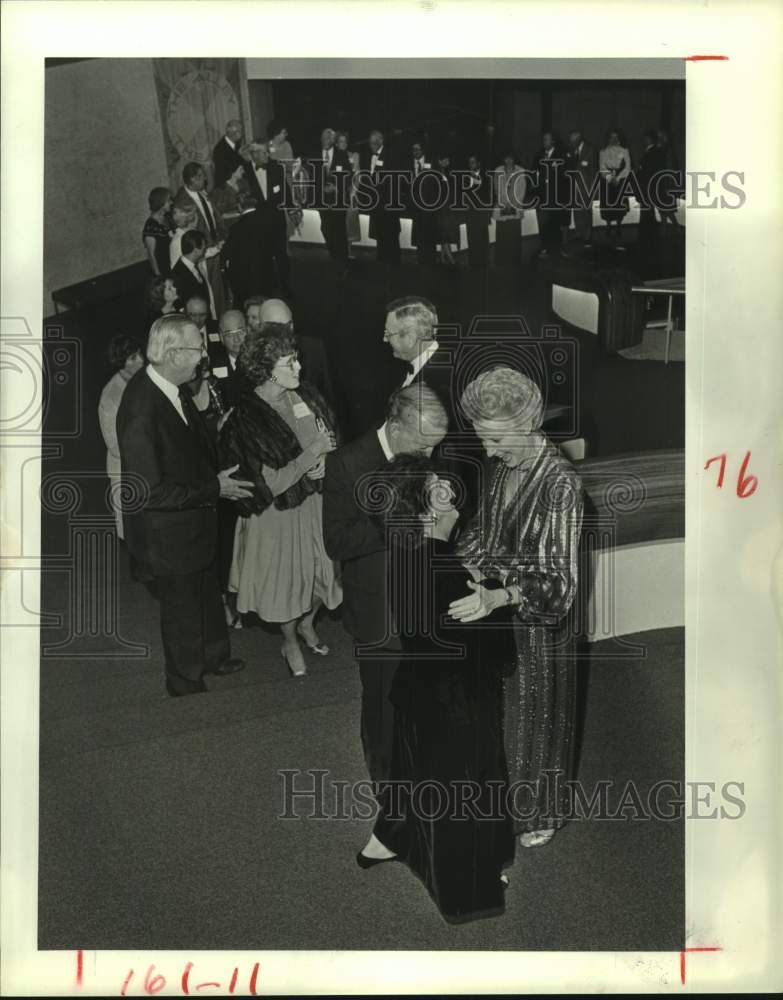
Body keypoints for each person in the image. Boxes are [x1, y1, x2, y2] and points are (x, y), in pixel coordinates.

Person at [356, 454, 515, 924]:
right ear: (424, 509)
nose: (447, 486)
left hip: (417, 691)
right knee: (461, 795)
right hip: (456, 704)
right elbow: (492, 653)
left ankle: (384, 842)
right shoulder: (443, 569)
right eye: (435, 486)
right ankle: (468, 890)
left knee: (411, 776)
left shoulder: (407, 551)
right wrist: (497, 593)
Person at [451, 366, 583, 848]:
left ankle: (541, 813)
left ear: (528, 424)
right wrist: (446, 556)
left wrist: (503, 593)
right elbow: (481, 534)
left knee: (539, 718)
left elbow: (562, 586)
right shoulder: (503, 464)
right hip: (499, 615)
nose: (487, 451)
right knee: (506, 717)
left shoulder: (561, 486)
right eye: (482, 438)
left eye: (494, 438)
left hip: (541, 624)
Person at [116, 314, 252, 697]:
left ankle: (214, 656)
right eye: (198, 350)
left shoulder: (172, 388)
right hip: (168, 534)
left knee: (205, 591)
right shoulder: (141, 410)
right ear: (174, 353)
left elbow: (182, 444)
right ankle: (184, 680)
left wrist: (214, 430)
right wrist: (215, 487)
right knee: (181, 607)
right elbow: (149, 492)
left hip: (192, 524)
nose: (203, 358)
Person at [323, 385, 448, 784]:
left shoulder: (429, 451)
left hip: (427, 598)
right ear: (395, 427)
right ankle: (386, 784)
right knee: (384, 705)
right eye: (423, 444)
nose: (430, 456)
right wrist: (399, 524)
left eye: (435, 446)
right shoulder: (347, 463)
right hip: (381, 610)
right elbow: (337, 541)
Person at [220, 325, 342, 677]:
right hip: (278, 515)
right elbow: (269, 483)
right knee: (287, 588)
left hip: (314, 504)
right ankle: (289, 640)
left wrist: (321, 464)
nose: (299, 368)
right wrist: (311, 457)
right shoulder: (248, 415)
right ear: (267, 369)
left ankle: (306, 624)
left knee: (325, 577)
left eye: (297, 359)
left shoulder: (304, 396)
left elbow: (326, 437)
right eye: (290, 363)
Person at [383, 295, 482, 518]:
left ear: (410, 336)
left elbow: (451, 451)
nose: (385, 339)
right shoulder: (435, 364)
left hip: (442, 494)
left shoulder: (441, 377)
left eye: (388, 334)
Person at [98, 335, 145, 538]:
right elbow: (115, 446)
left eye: (140, 354)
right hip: (125, 471)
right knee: (131, 531)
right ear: (120, 362)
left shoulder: (142, 380)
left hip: (145, 464)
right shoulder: (111, 396)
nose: (141, 360)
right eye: (133, 358)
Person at [246, 296, 334, 404]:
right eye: (275, 327)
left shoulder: (314, 348)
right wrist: (274, 379)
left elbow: (327, 394)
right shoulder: (253, 355)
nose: (283, 332)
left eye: (288, 325)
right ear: (263, 328)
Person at [243, 139, 299, 298]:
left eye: (268, 150)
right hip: (257, 223)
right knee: (262, 256)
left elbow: (285, 192)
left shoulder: (276, 167)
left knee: (282, 256)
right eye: (263, 152)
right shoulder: (244, 172)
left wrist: (292, 210)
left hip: (277, 220)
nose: (268, 154)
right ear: (253, 154)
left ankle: (287, 289)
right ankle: (267, 289)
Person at [175, 163, 226, 316]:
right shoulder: (182, 201)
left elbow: (214, 215)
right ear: (191, 180)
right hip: (201, 252)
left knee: (216, 290)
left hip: (213, 248)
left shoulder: (202, 193)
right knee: (207, 294)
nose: (205, 178)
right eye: (201, 176)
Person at [362, 129, 402, 266]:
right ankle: (381, 265)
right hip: (376, 203)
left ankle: (395, 265)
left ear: (381, 140)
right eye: (370, 142)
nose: (372, 144)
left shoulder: (391, 155)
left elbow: (394, 179)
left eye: (374, 141)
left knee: (391, 236)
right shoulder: (369, 155)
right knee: (380, 235)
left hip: (388, 203)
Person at [530, 131, 569, 257]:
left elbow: (564, 175)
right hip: (541, 196)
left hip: (556, 196)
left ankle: (556, 249)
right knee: (542, 223)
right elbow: (533, 172)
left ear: (553, 141)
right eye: (543, 139)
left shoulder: (561, 155)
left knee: (555, 223)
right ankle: (544, 247)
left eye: (547, 139)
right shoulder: (538, 155)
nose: (544, 142)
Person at [224, 190, 264, 308]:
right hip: (263, 276)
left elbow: (227, 254)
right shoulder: (265, 224)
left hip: (243, 280)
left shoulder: (236, 228)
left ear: (239, 207)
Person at [599, 128, 632, 247]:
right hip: (607, 182)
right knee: (608, 204)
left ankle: (618, 225)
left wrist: (617, 178)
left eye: (616, 137)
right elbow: (602, 167)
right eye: (611, 137)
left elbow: (628, 167)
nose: (614, 139)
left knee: (619, 204)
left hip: (620, 181)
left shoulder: (624, 151)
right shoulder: (603, 151)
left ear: (619, 138)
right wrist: (610, 178)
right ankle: (608, 225)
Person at [171, 230, 216, 318]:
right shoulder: (178, 274)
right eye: (203, 247)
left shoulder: (192, 265)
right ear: (196, 250)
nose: (205, 248)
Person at [492, 151, 525, 268]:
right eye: (506, 159)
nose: (509, 161)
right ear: (503, 160)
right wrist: (504, 203)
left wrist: (512, 204)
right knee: (501, 236)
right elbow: (496, 189)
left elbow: (522, 191)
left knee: (514, 236)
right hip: (501, 207)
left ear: (514, 159)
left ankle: (515, 262)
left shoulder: (521, 171)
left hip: (515, 208)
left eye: (511, 159)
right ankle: (501, 262)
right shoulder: (498, 170)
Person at [565, 130, 597, 249]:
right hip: (574, 187)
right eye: (570, 140)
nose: (571, 142)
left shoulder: (590, 149)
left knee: (586, 213)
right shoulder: (571, 150)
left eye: (572, 140)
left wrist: (592, 190)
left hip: (586, 187)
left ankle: (588, 236)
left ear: (579, 138)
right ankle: (579, 233)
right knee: (577, 211)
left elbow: (593, 171)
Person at [463, 153, 491, 268]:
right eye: (469, 162)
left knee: (483, 244)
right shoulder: (465, 178)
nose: (471, 165)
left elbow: (488, 197)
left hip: (482, 216)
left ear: (479, 164)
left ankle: (484, 267)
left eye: (473, 162)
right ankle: (473, 268)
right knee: (472, 243)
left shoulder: (486, 177)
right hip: (471, 216)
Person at [433, 152, 460, 266]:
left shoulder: (449, 173)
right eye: (445, 161)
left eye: (448, 161)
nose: (448, 163)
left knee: (446, 232)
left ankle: (443, 257)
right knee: (443, 232)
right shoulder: (435, 173)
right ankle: (450, 257)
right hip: (439, 208)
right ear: (439, 162)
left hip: (447, 207)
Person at [142, 187, 172, 276]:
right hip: (163, 270)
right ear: (161, 203)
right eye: (169, 200)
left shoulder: (168, 218)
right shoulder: (151, 226)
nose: (171, 203)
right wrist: (159, 277)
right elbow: (152, 255)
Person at [213, 118, 247, 189]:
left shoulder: (236, 144)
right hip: (225, 188)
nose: (241, 134)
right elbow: (227, 172)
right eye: (239, 131)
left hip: (237, 183)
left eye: (241, 131)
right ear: (230, 132)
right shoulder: (219, 149)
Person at [168, 202, 198, 270]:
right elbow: (175, 267)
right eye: (197, 216)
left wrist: (216, 249)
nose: (198, 220)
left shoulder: (190, 234)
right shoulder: (177, 241)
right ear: (191, 221)